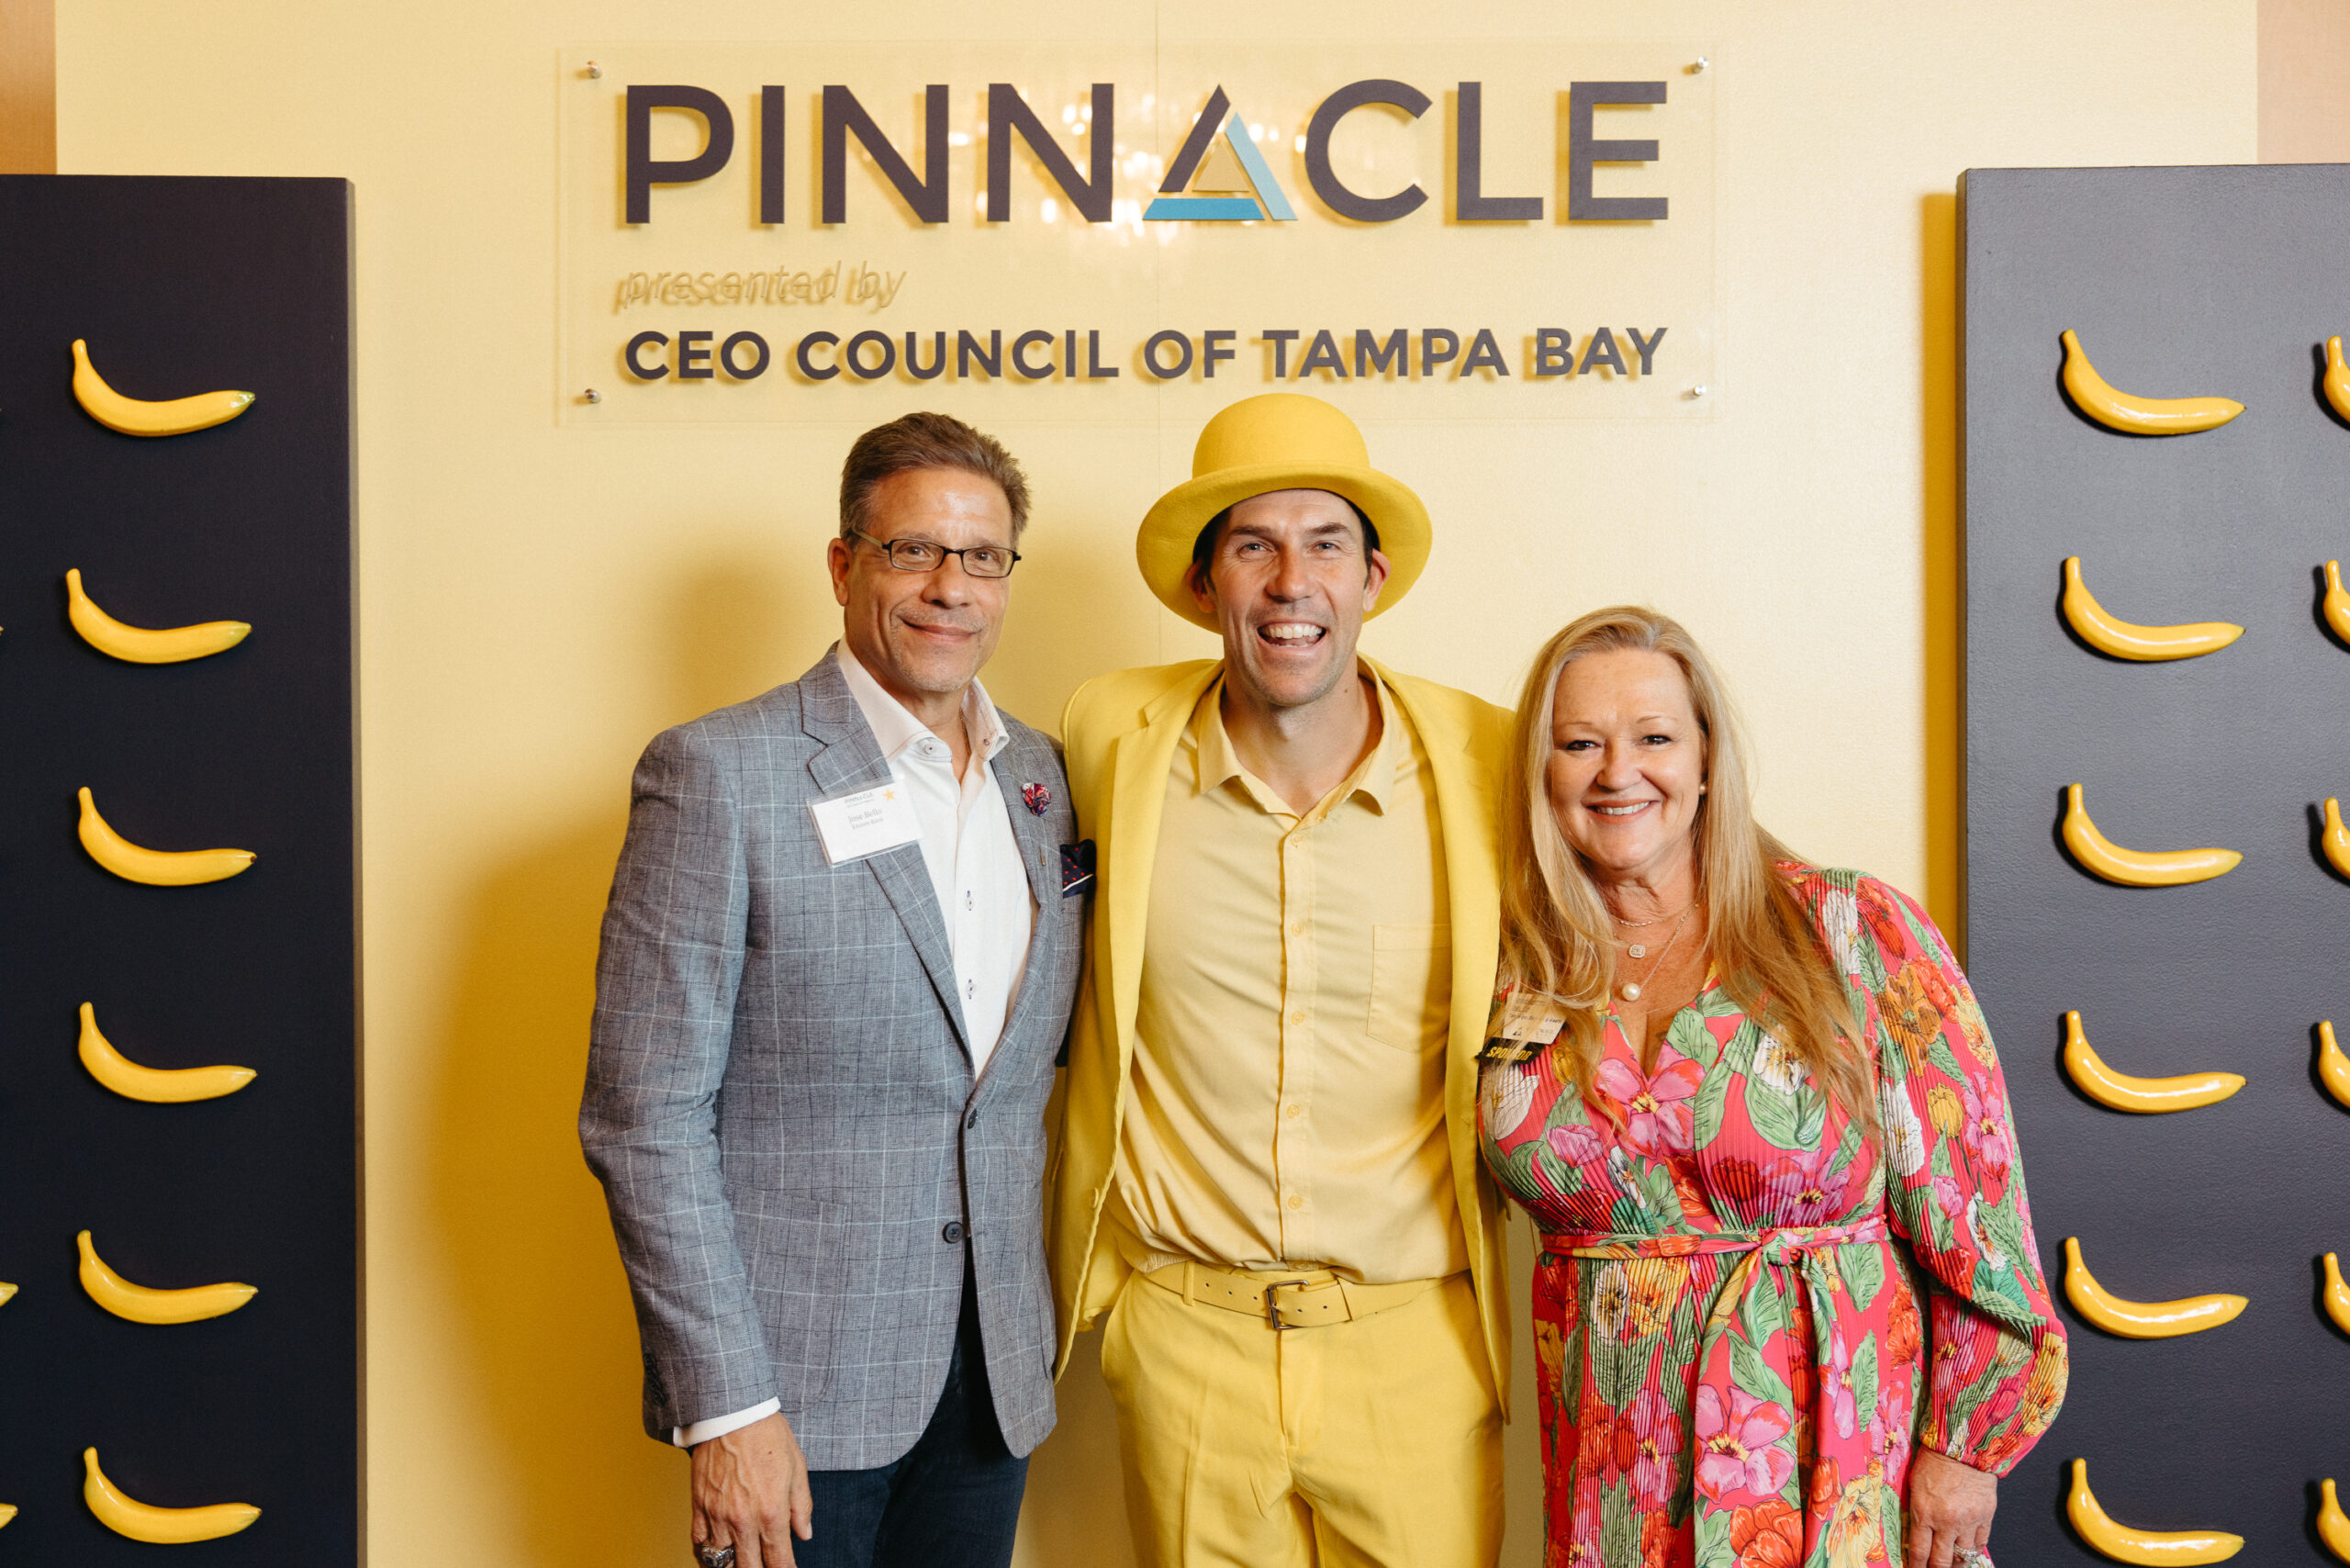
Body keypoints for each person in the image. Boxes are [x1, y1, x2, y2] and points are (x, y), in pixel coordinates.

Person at [580, 412, 1085, 1568]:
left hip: (990, 1383)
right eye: (914, 550)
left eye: (982, 556)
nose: (950, 587)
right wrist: (727, 1406)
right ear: (844, 564)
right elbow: (642, 1118)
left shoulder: (1044, 780)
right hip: (791, 1397)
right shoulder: (718, 773)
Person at [1478, 606, 2067, 1568]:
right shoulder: (1513, 967)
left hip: (1833, 1460)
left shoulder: (1847, 929)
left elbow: (1975, 1204)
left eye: (1654, 738)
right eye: (1578, 742)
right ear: (1541, 773)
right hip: (1611, 1480)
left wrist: (1967, 1449)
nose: (1617, 771)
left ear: (1708, 758)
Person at [1050, 392, 1515, 1567]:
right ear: (1204, 582)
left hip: (1415, 1340)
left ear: (1373, 577)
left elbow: (1656, 857)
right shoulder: (1109, 737)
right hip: (1185, 1340)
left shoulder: (1490, 759)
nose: (1290, 582)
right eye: (1253, 546)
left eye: (1325, 545)